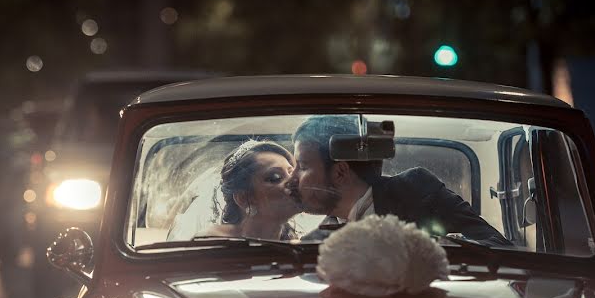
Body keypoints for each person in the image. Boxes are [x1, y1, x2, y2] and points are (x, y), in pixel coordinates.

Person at [288, 115, 511, 246]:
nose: (293, 176)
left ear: (340, 172)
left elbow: (498, 247)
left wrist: (424, 248)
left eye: (303, 166)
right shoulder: (314, 243)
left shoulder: (416, 188)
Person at [196, 140, 302, 240]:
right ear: (243, 198)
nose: (294, 181)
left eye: (292, 172)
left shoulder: (300, 243)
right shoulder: (211, 241)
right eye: (275, 177)